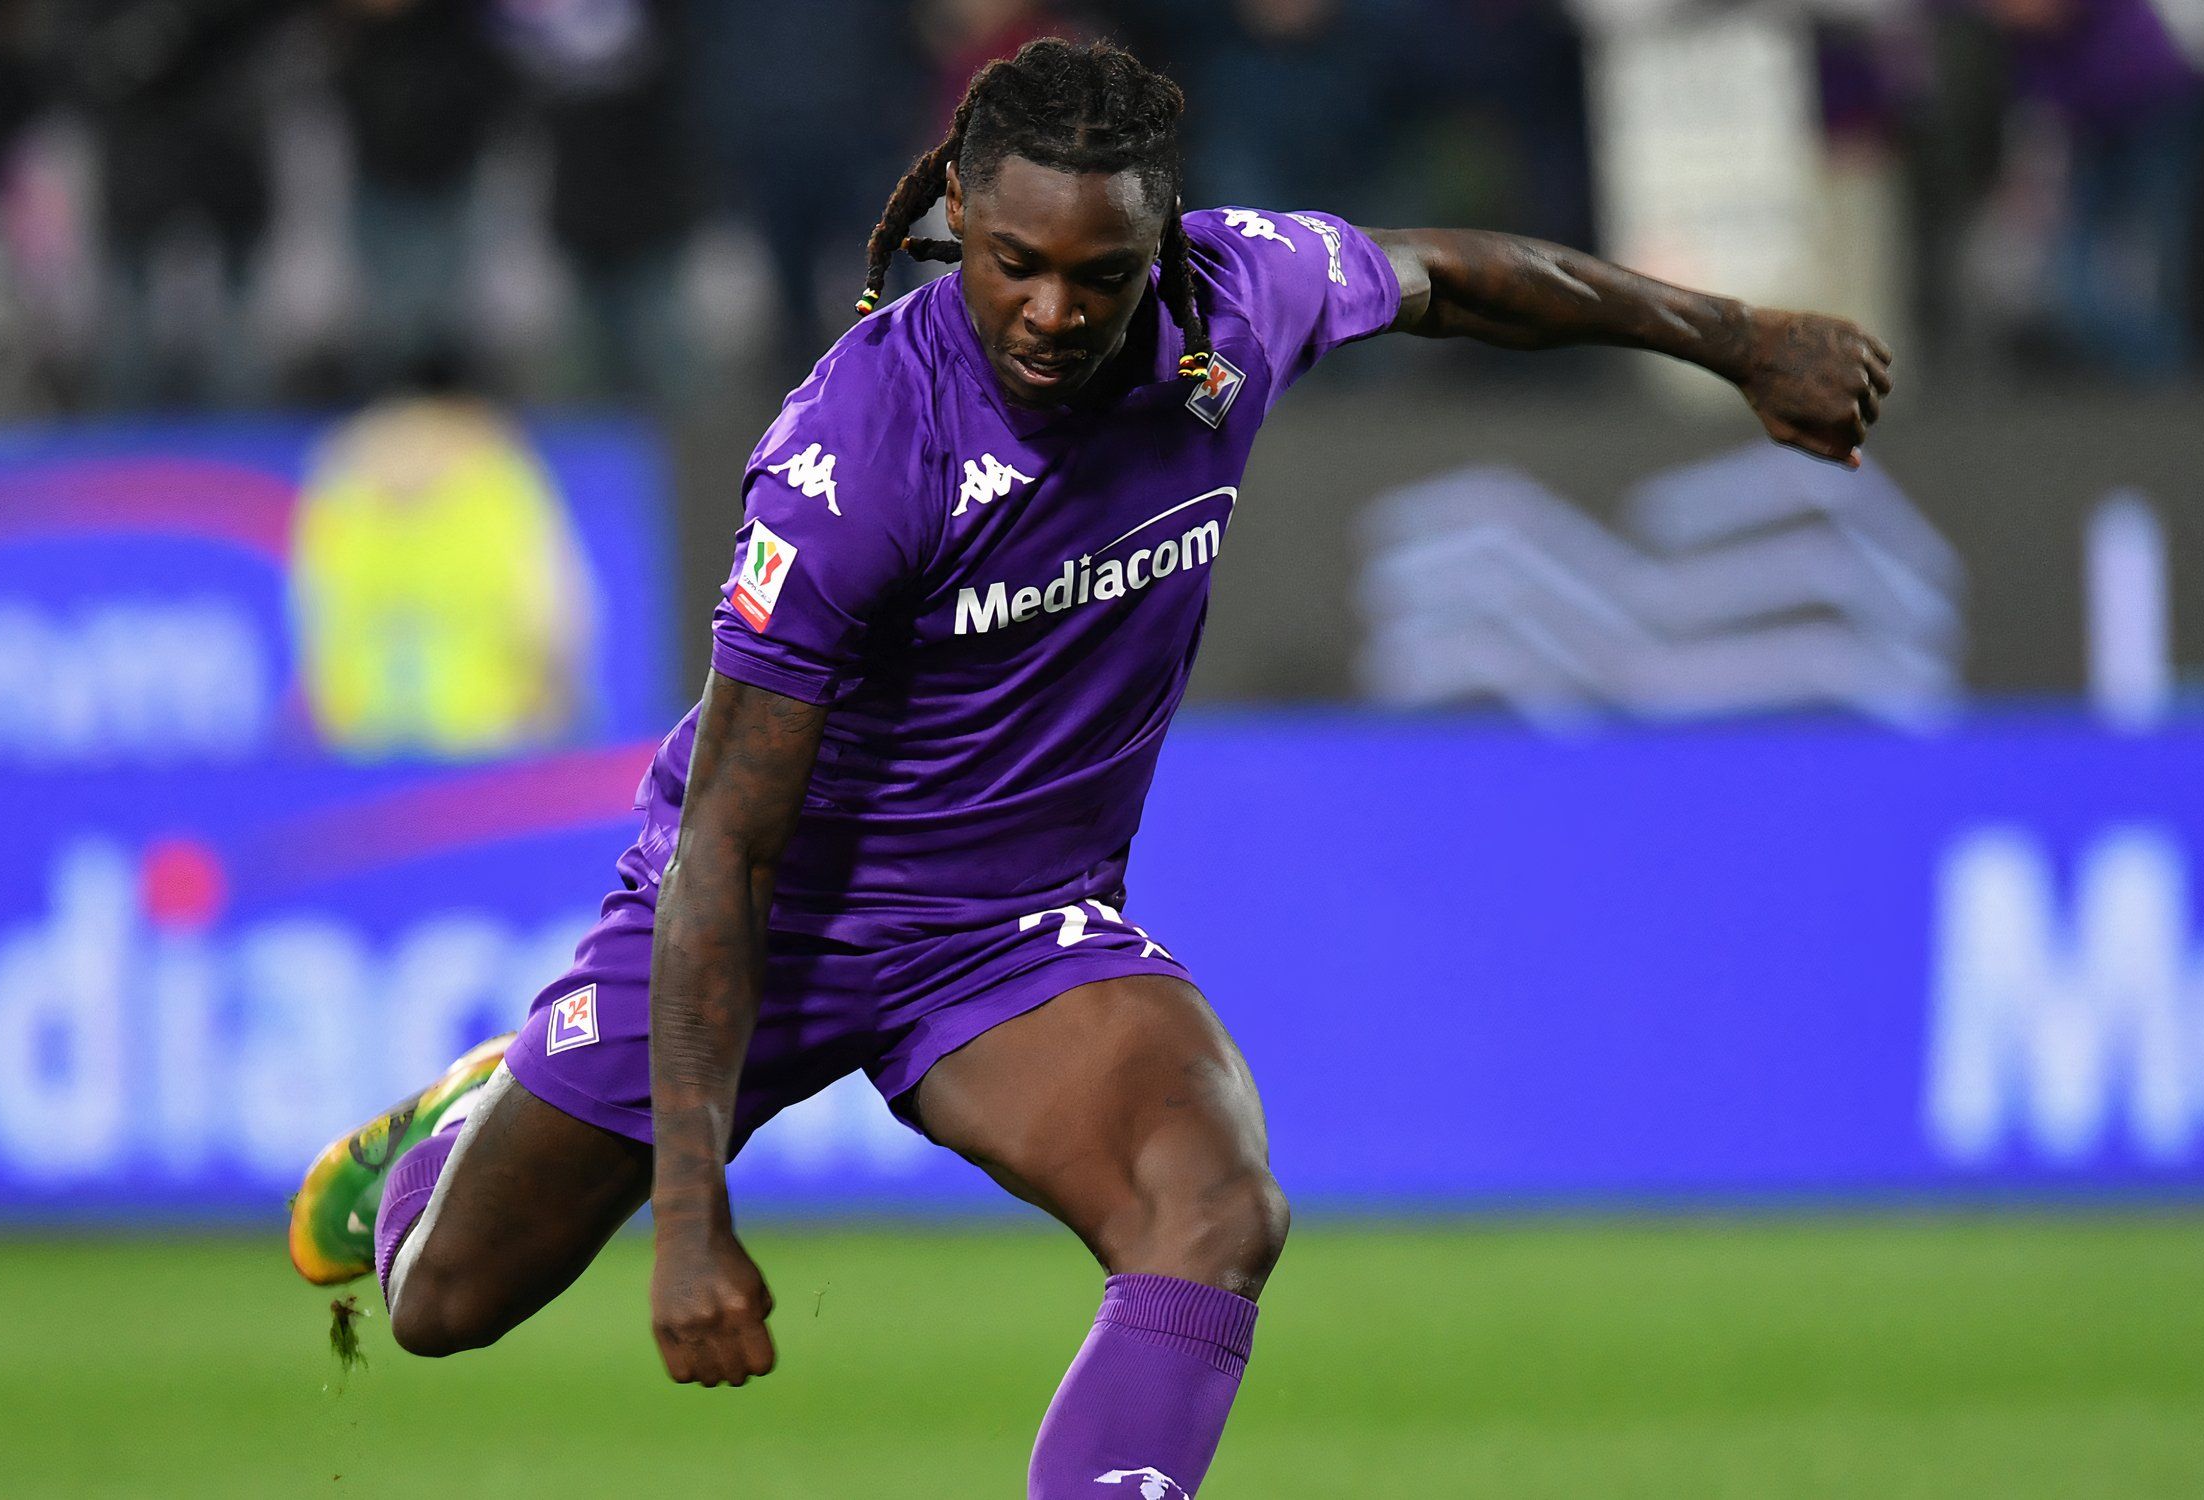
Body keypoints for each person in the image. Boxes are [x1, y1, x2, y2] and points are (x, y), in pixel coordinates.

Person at [285, 36, 1888, 1497]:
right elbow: (728, 854)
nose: (1053, 311)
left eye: (1099, 274)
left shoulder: (1236, 301)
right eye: (1014, 267)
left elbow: (1462, 279)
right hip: (772, 917)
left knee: (1213, 1207)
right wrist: (693, 1215)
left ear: (1162, 248)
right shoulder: (857, 458)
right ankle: (469, 1122)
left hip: (1009, 935)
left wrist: (1734, 339)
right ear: (955, 227)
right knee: (444, 1310)